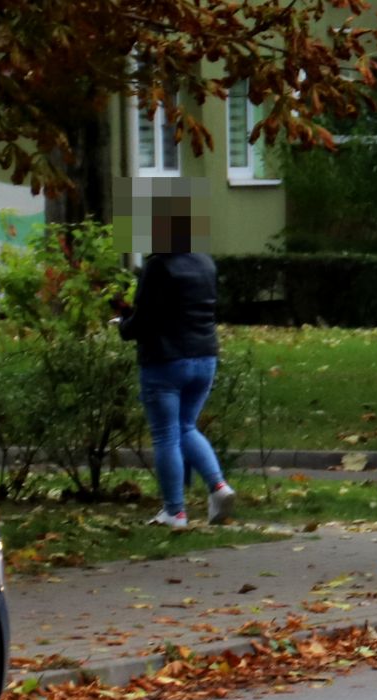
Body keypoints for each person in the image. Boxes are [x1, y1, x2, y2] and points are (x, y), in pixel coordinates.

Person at [118, 197, 235, 530]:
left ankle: (175, 512)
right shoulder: (205, 263)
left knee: (167, 435)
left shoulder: (158, 266)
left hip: (166, 361)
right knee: (186, 427)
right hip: (205, 358)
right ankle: (218, 487)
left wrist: (123, 325)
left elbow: (143, 321)